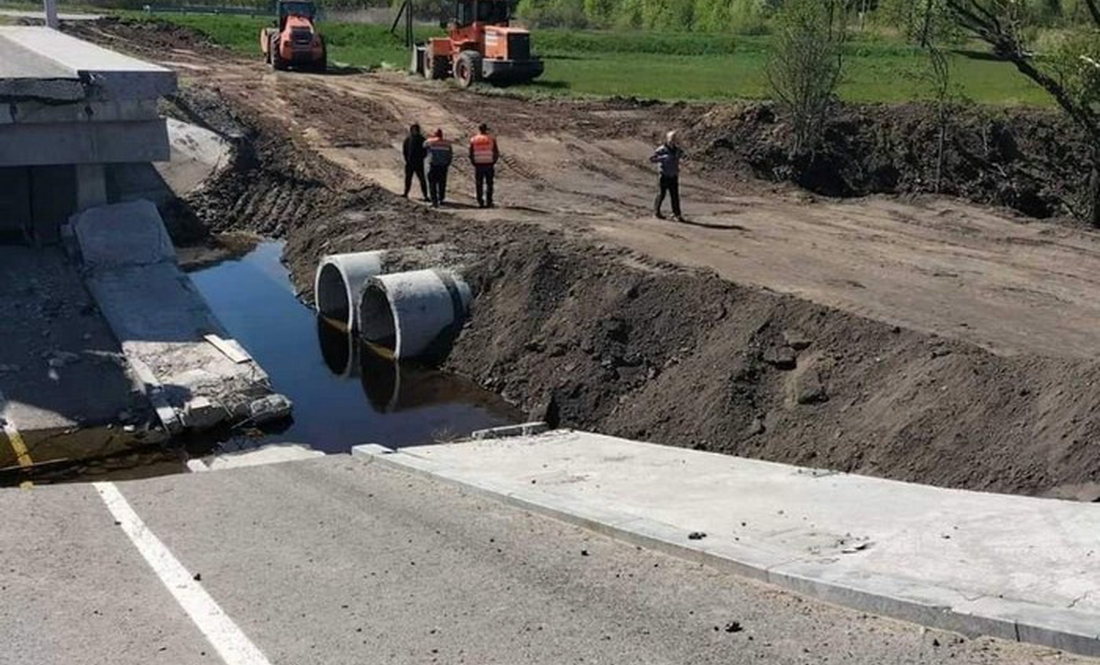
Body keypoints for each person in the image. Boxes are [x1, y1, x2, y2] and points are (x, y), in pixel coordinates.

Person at [650, 130, 685, 221]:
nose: (673, 140)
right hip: (664, 175)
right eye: (671, 138)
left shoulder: (677, 150)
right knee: (661, 194)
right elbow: (652, 159)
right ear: (668, 139)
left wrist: (680, 156)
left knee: (675, 196)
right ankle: (656, 212)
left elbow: (683, 156)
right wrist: (663, 158)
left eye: (675, 139)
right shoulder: (661, 149)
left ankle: (677, 214)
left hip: (673, 175)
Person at [468, 122, 500, 208]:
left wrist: (473, 161)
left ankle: (480, 201)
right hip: (489, 163)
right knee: (489, 183)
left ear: (479, 129)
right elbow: (496, 151)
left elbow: (471, 152)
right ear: (486, 129)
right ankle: (489, 201)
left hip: (478, 164)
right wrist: (493, 161)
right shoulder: (491, 139)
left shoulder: (474, 139)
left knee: (479, 183)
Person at [424, 128, 453, 207]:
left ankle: (434, 201)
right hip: (443, 166)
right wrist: (447, 163)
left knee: (432, 183)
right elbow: (450, 155)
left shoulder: (430, 142)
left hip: (433, 166)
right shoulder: (447, 143)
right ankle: (441, 199)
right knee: (442, 183)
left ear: (435, 134)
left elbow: (424, 145)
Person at [401, 123, 429, 201]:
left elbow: (426, 150)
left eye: (415, 130)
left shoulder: (422, 139)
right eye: (413, 130)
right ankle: (406, 193)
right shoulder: (408, 139)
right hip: (409, 162)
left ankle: (425, 196)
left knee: (422, 179)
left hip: (419, 163)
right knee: (408, 179)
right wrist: (407, 159)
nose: (414, 131)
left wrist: (421, 158)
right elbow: (405, 150)